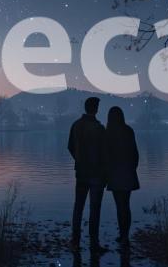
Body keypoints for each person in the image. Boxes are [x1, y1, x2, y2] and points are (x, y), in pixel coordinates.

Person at [68, 97, 108, 253]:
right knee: (95, 209)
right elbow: (105, 154)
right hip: (96, 175)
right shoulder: (99, 129)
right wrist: (105, 173)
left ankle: (75, 241)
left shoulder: (76, 125)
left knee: (78, 207)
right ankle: (94, 243)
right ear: (95, 108)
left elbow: (70, 147)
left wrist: (79, 160)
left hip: (81, 173)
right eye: (97, 106)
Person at [104, 106, 140, 248]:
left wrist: (106, 173)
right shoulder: (128, 131)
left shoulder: (109, 133)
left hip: (115, 173)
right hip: (128, 172)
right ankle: (125, 236)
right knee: (126, 205)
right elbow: (135, 153)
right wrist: (132, 168)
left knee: (120, 206)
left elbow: (106, 155)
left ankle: (122, 235)